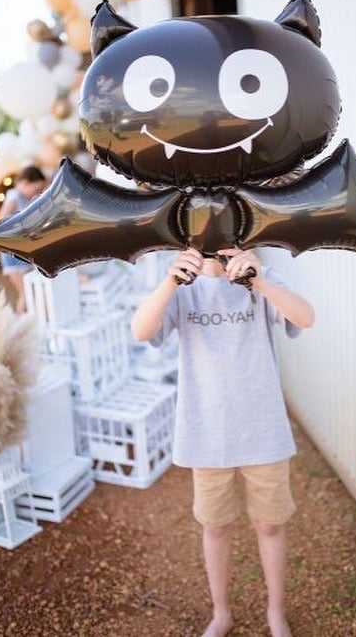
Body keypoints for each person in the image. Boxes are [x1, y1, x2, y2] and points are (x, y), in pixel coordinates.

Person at [131, 246, 315, 637]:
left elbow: (306, 317)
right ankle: (221, 613)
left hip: (263, 431)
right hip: (207, 434)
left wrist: (259, 279)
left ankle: (276, 611)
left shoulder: (258, 277)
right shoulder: (183, 288)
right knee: (215, 527)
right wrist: (169, 281)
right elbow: (141, 331)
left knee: (270, 525)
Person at [0, 166, 47, 313]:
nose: (37, 193)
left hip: (21, 252)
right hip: (12, 254)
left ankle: (28, 323)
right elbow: (1, 221)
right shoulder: (14, 195)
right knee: (25, 293)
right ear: (25, 182)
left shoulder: (23, 197)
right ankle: (21, 325)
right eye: (36, 189)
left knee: (29, 291)